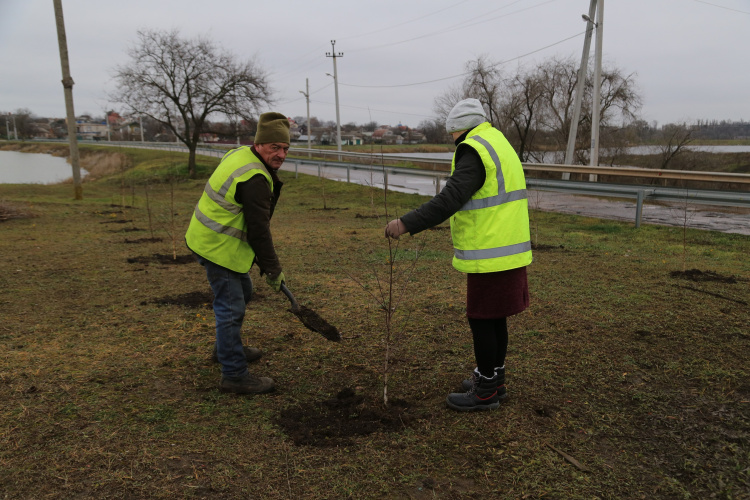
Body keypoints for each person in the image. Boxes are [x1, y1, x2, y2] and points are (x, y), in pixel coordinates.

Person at [385, 98, 532, 412]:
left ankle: (484, 392)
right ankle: (496, 381)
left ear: (459, 130)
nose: (453, 143)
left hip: (490, 252)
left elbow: (450, 197)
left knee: (481, 318)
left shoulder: (473, 149)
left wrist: (406, 223)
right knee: (495, 318)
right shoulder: (498, 141)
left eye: (452, 137)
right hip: (508, 248)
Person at [185, 112, 291, 395]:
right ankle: (233, 374)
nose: (281, 154)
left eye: (285, 149)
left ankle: (226, 349)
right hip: (217, 247)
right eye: (274, 148)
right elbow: (259, 231)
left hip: (207, 237)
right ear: (259, 144)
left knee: (241, 292)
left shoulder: (240, 154)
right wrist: (273, 269)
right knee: (231, 307)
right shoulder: (255, 178)